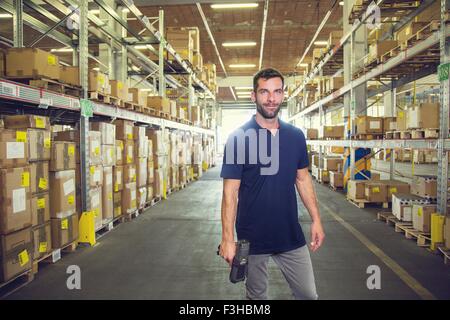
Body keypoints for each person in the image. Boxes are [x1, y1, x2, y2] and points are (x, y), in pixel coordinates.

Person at [219, 68, 325, 300]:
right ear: (253, 95)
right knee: (257, 298)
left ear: (283, 94)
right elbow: (230, 192)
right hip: (253, 238)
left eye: (277, 92)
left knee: (308, 295)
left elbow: (303, 178)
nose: (271, 98)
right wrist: (227, 239)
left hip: (289, 234)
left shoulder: (295, 136)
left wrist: (316, 219)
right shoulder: (238, 138)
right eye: (264, 92)